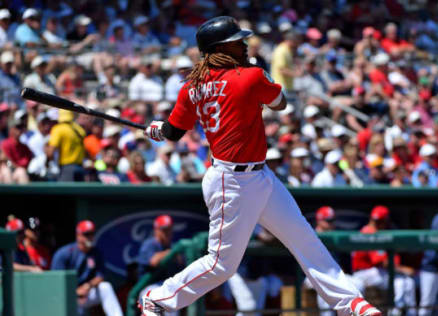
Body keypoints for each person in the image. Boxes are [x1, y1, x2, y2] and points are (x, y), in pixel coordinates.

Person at [140, 16, 381, 316]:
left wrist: (157, 129)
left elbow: (173, 131)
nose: (244, 45)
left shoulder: (192, 86)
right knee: (221, 265)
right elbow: (279, 102)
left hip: (258, 175)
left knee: (303, 237)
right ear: (219, 49)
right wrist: (257, 74)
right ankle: (158, 298)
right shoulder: (250, 75)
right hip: (232, 180)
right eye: (237, 42)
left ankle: (351, 305)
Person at [351, 206, 416, 316]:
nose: (377, 224)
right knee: (400, 283)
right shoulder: (368, 232)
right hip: (363, 273)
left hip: (376, 272)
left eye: (380, 221)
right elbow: (382, 262)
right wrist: (403, 269)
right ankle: (394, 313)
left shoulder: (382, 234)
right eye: (375, 221)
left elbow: (391, 261)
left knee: (408, 283)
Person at [51, 220, 123, 316]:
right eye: (86, 234)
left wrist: (87, 286)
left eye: (92, 234)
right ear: (78, 236)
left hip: (86, 291)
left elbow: (100, 275)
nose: (90, 238)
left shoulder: (95, 252)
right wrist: (74, 292)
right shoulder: (65, 253)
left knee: (105, 287)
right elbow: (55, 280)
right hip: (66, 294)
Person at [46, 109, 86, 181]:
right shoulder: (80, 129)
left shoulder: (58, 129)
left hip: (67, 168)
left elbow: (50, 152)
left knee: (66, 192)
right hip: (80, 168)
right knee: (80, 192)